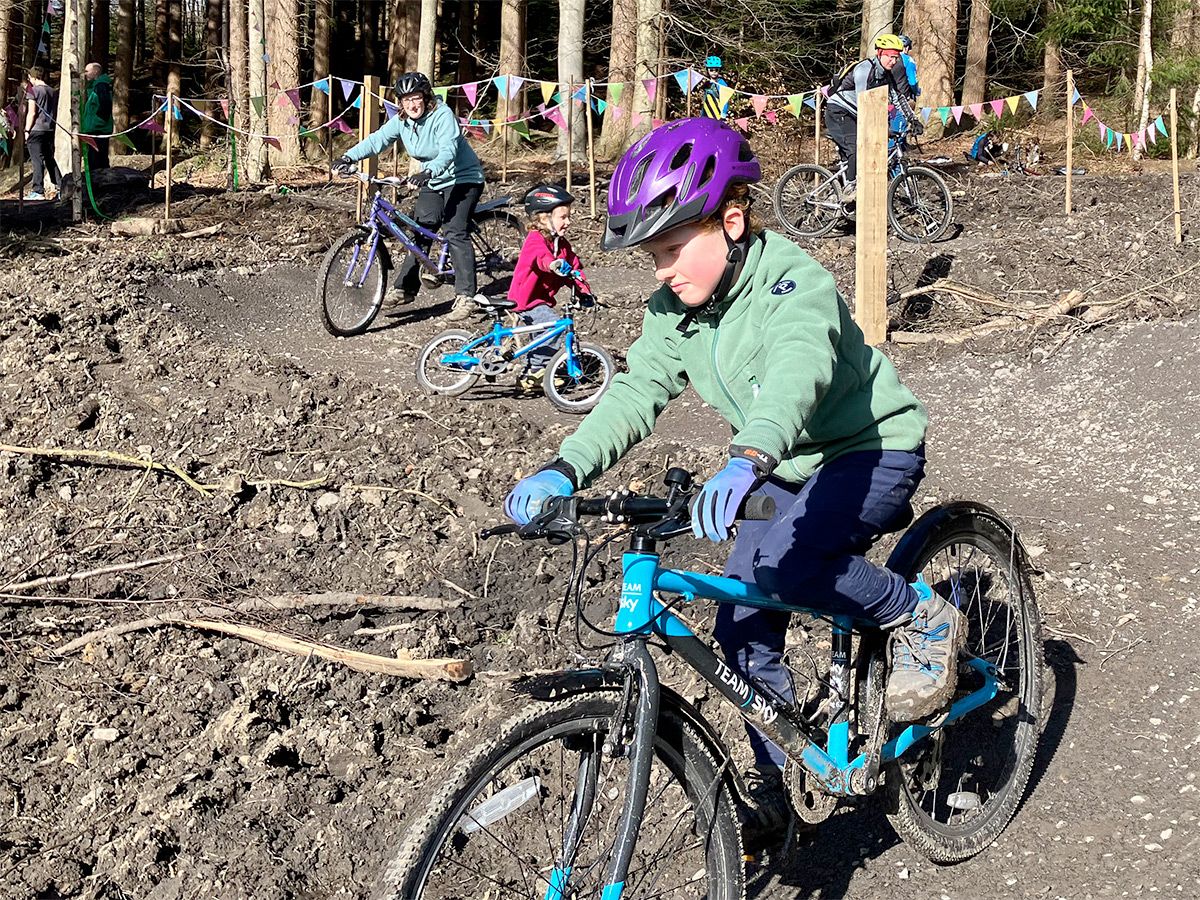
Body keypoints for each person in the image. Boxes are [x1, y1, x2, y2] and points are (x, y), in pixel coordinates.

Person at [502, 118, 965, 837]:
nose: (661, 269)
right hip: (780, 460)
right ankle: (777, 780)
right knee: (743, 619)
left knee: (794, 565)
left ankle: (920, 615)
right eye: (651, 255)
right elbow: (634, 394)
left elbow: (796, 367)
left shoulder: (792, 279)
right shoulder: (672, 312)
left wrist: (749, 455)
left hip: (867, 448)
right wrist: (565, 466)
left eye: (672, 248)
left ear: (733, 221)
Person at [334, 71, 486, 321]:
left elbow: (449, 149)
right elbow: (377, 140)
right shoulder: (402, 121)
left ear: (426, 97)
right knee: (420, 229)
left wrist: (428, 171)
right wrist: (348, 157)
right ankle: (405, 288)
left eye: (416, 98)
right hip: (434, 179)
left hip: (463, 178)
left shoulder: (442, 115)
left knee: (454, 230)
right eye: (406, 100)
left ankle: (467, 297)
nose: (412, 104)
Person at [510, 184, 594, 394]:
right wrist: (554, 265)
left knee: (553, 329)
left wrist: (584, 291)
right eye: (563, 217)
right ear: (543, 218)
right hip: (526, 299)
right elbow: (541, 257)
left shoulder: (561, 244)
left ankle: (543, 369)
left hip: (541, 299)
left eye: (568, 217)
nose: (568, 222)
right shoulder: (535, 240)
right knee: (550, 327)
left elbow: (574, 267)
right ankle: (535, 372)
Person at [825, 33, 919, 201]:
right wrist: (881, 127)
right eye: (890, 57)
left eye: (896, 58)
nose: (894, 61)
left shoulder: (887, 74)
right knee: (856, 148)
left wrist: (912, 119)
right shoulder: (864, 69)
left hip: (854, 113)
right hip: (839, 111)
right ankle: (850, 189)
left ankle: (837, 195)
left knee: (863, 155)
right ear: (880, 54)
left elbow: (898, 98)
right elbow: (865, 102)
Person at [23, 66, 61, 201]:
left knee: (37, 160)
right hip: (49, 129)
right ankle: (61, 187)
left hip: (36, 129)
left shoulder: (33, 91)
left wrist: (27, 130)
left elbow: (31, 112)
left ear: (33, 77)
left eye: (29, 77)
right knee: (49, 159)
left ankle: (37, 190)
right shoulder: (52, 91)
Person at [82, 62, 114, 169]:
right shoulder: (95, 86)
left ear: (95, 71)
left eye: (87, 71)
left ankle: (99, 182)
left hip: (98, 130)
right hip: (95, 129)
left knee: (96, 159)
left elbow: (105, 105)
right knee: (97, 158)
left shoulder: (101, 86)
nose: (85, 74)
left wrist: (97, 122)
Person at [700, 55, 731, 120]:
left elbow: (725, 100)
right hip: (706, 114)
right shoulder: (707, 83)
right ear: (707, 70)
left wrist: (723, 114)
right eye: (711, 70)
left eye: (716, 70)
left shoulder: (721, 83)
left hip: (718, 115)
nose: (714, 72)